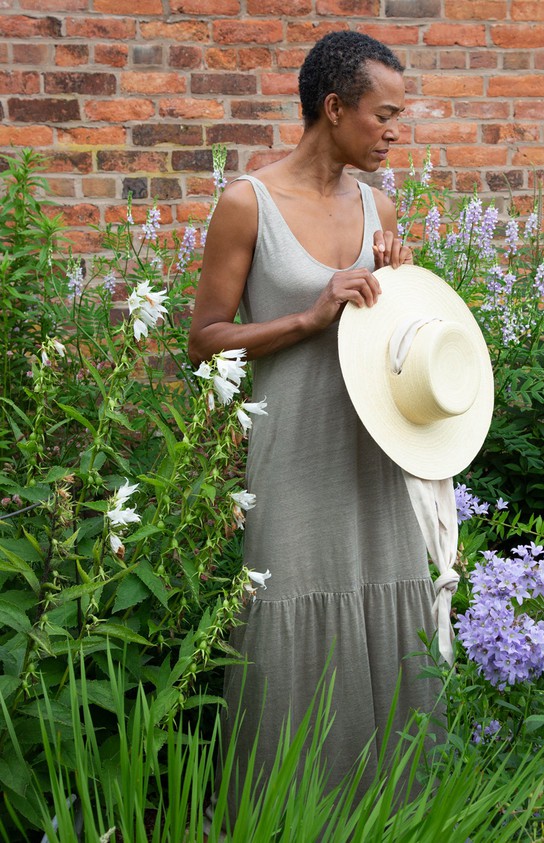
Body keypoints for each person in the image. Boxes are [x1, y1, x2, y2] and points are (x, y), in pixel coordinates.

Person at [188, 30, 439, 806]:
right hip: (292, 460)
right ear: (333, 108)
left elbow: (396, 339)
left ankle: (393, 818)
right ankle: (284, 818)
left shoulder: (381, 207)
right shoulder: (247, 203)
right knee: (288, 625)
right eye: (383, 114)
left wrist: (398, 289)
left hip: (377, 456)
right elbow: (203, 342)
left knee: (388, 614)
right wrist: (309, 315)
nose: (396, 130)